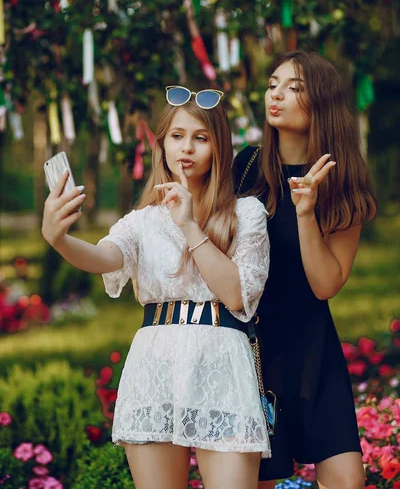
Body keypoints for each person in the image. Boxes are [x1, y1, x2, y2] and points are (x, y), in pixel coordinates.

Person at [42, 87, 272, 489]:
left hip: (222, 362)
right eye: (177, 136)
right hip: (156, 364)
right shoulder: (142, 220)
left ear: (219, 148)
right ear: (161, 144)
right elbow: (103, 257)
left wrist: (188, 224)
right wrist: (59, 239)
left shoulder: (245, 212)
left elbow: (236, 295)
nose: (187, 148)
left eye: (200, 138)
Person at [232, 51, 378, 489]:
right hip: (252, 346)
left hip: (314, 345)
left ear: (322, 103)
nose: (277, 94)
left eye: (294, 87)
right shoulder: (245, 169)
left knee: (347, 479)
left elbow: (325, 284)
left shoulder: (344, 179)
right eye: (274, 83)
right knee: (261, 481)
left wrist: (306, 213)